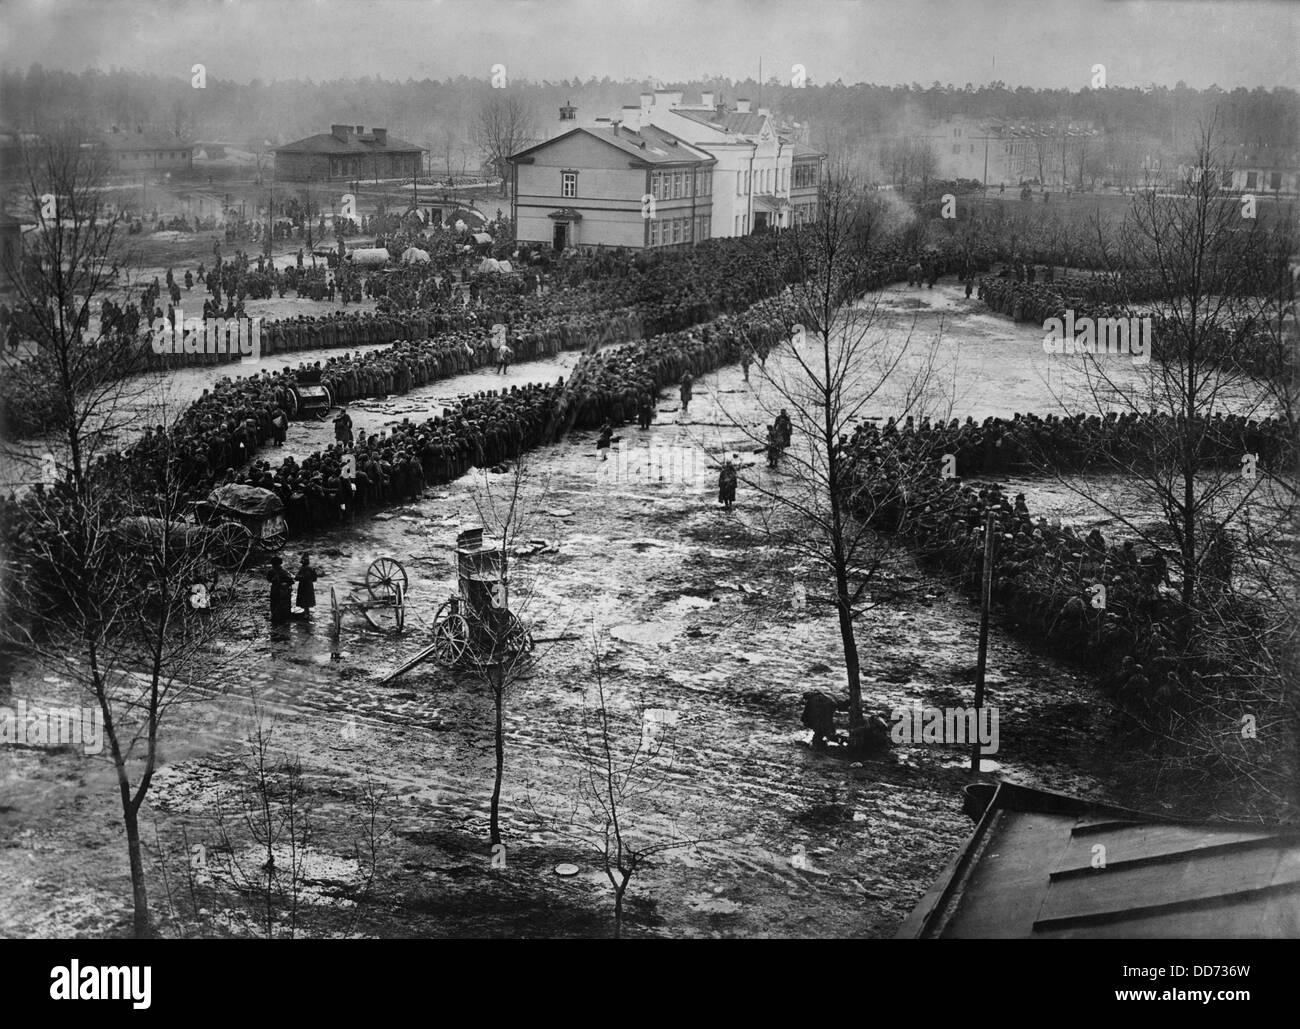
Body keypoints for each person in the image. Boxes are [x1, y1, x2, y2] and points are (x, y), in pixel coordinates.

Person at [267, 556, 294, 624]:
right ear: (280, 563)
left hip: (275, 590)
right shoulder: (284, 572)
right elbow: (291, 581)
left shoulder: (271, 571)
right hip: (283, 592)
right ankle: (284, 620)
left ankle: (275, 620)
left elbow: (268, 579)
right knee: (284, 606)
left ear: (273, 564)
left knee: (274, 605)